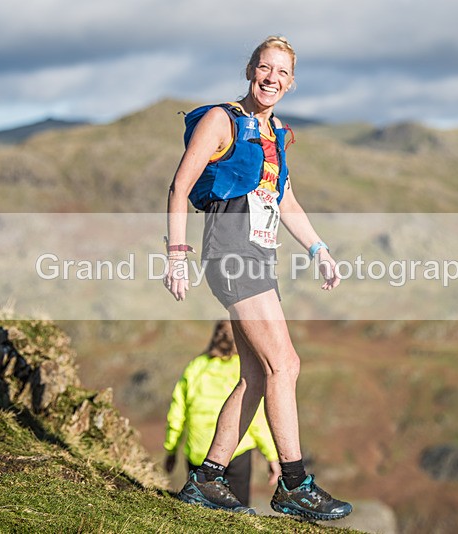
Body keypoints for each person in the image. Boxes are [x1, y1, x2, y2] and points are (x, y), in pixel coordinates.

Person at [164, 35, 352, 520]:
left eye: (282, 73)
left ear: (291, 83)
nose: (272, 79)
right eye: (265, 68)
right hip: (230, 252)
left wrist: (318, 248)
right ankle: (294, 483)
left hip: (259, 256)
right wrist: (176, 254)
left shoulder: (275, 133)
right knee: (285, 365)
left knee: (256, 375)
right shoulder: (220, 120)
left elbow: (284, 199)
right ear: (250, 70)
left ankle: (207, 479)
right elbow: (180, 185)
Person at [163, 320, 280, 506]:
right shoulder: (245, 371)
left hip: (199, 451)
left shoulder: (195, 368)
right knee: (239, 510)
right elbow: (257, 418)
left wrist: (171, 450)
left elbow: (177, 413)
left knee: (199, 508)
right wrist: (272, 456)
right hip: (237, 451)